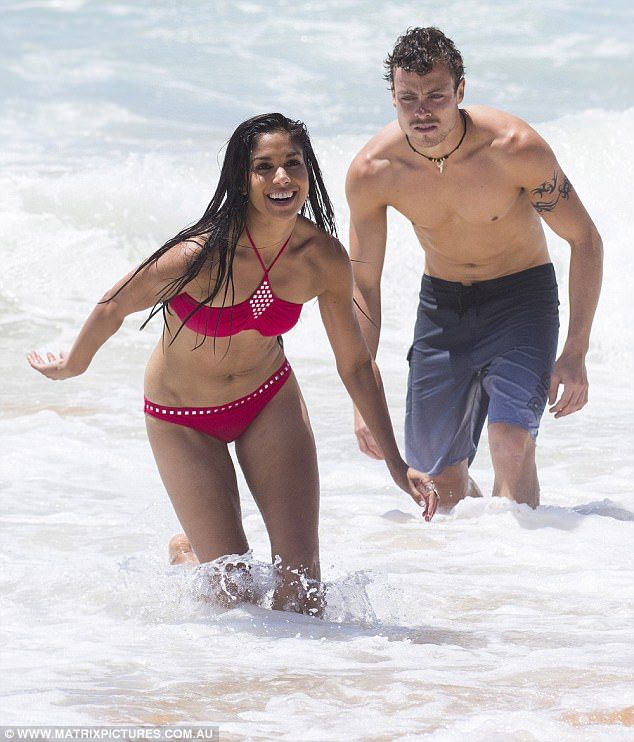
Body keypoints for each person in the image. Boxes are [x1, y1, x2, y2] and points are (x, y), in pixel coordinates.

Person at [27, 113, 438, 616]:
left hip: (267, 402)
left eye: (293, 163)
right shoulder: (199, 256)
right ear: (242, 180)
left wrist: (396, 464)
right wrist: (74, 364)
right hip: (183, 420)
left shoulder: (320, 257)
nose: (281, 178)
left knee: (302, 592)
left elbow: (354, 363)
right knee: (232, 593)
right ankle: (189, 551)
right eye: (264, 167)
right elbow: (116, 304)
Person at [346, 28, 603, 510]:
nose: (422, 111)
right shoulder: (375, 171)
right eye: (408, 98)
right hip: (442, 309)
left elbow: (585, 239)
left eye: (436, 96)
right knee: (439, 491)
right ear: (393, 97)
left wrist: (575, 350)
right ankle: (481, 549)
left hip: (521, 301)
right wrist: (363, 393)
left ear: (460, 90)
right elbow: (364, 284)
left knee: (511, 443)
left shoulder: (514, 148)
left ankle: (526, 553)